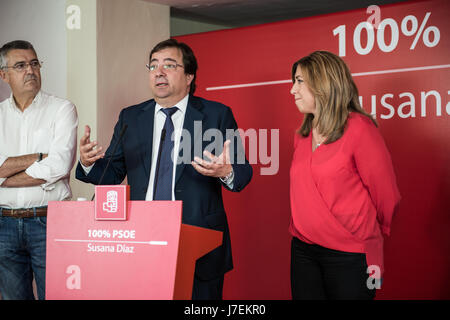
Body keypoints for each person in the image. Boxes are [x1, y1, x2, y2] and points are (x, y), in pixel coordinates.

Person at [75, 38, 253, 300]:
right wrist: (89, 163)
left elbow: (242, 174)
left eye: (169, 65)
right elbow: (111, 174)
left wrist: (225, 171)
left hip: (196, 237)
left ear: (189, 75)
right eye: (153, 65)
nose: (159, 72)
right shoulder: (131, 117)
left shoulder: (216, 114)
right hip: (140, 238)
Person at [289, 51, 400, 300]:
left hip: (351, 256)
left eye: (299, 81)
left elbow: (387, 195)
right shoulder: (302, 135)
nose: (292, 90)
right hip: (303, 252)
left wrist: (365, 236)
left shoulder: (360, 129)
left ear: (322, 83)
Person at [0, 40, 78, 300]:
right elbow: (46, 163)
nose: (30, 71)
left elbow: (59, 164)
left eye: (34, 63)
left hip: (50, 220)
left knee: (56, 295)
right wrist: (39, 156)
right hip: (4, 224)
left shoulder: (61, 109)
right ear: (4, 74)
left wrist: (5, 178)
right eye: (20, 66)